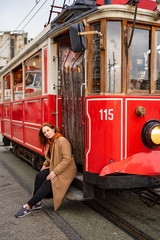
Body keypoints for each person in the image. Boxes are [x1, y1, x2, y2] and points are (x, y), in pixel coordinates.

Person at [15, 122, 77, 218]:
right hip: (55, 166)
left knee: (48, 182)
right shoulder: (50, 142)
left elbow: (67, 159)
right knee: (39, 175)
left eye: (48, 130)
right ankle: (37, 202)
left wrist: (55, 172)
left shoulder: (62, 141)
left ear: (53, 129)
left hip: (66, 170)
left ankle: (28, 206)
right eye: (44, 133)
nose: (47, 133)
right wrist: (45, 164)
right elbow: (49, 158)